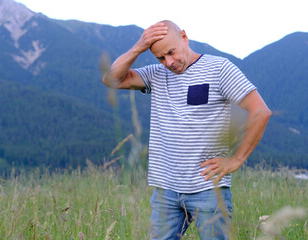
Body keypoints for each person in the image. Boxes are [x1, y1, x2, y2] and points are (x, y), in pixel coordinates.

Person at [102, 20, 271, 240]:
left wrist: (236, 159)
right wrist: (138, 47)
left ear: (184, 36)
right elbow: (111, 79)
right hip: (166, 190)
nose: (169, 62)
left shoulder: (219, 68)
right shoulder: (156, 74)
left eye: (171, 52)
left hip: (208, 189)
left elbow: (261, 111)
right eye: (161, 58)